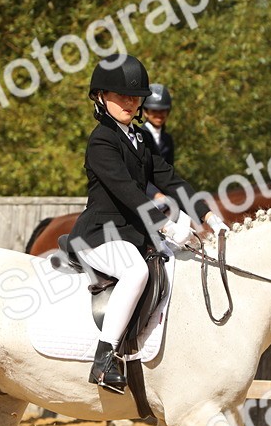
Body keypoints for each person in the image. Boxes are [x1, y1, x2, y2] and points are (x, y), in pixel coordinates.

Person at [69, 54, 229, 394]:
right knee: (135, 272)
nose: (130, 102)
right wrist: (167, 226)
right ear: (101, 97)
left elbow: (170, 179)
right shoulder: (102, 141)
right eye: (121, 96)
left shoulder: (138, 138)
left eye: (135, 96)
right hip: (100, 236)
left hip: (133, 235)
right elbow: (127, 192)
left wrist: (207, 215)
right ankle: (105, 358)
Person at [138, 83, 174, 166]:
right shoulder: (139, 136)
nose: (159, 115)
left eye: (163, 110)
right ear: (145, 112)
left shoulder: (167, 139)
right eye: (154, 111)